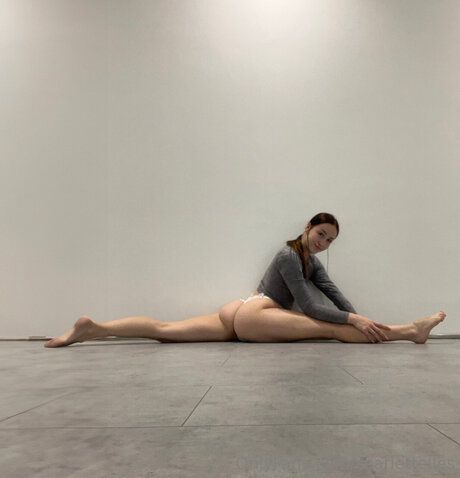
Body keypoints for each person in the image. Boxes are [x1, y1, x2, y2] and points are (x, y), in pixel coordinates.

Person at [44, 212, 446, 348]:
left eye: (330, 241)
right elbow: (312, 307)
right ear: (307, 227)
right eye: (321, 234)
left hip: (239, 310)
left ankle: (93, 328)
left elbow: (337, 299)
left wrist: (357, 315)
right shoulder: (288, 254)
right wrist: (354, 322)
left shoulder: (312, 263)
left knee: (165, 331)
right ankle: (410, 331)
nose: (323, 243)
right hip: (256, 315)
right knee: (330, 329)